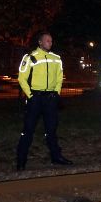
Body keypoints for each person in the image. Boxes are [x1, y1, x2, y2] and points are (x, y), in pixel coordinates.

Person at [16, 32, 73, 171]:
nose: (50, 43)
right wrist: (30, 96)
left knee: (51, 130)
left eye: (51, 40)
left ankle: (56, 157)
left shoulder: (56, 58)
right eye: (47, 40)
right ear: (40, 42)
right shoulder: (31, 57)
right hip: (35, 98)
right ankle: (21, 160)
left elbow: (60, 77)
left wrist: (56, 93)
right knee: (28, 130)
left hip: (50, 99)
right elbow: (21, 78)